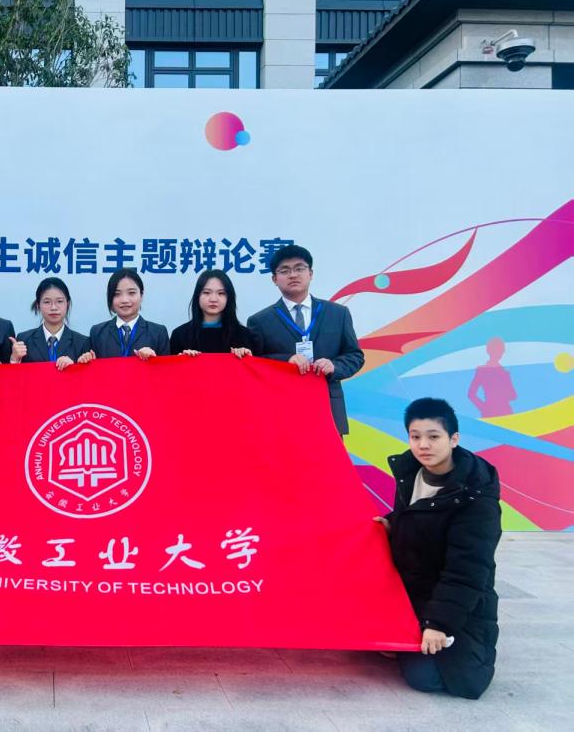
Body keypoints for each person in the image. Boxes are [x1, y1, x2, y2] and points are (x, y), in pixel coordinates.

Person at [376, 398, 501, 699]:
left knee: (428, 678)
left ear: (453, 439)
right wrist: (393, 525)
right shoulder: (411, 472)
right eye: (415, 436)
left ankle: (419, 634)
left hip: (457, 599)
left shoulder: (476, 498)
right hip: (414, 590)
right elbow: (418, 516)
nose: (423, 445)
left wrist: (438, 624)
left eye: (434, 436)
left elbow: (468, 570)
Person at [246, 245, 364, 435]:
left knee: (328, 456)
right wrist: (285, 360)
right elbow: (254, 365)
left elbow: (355, 356)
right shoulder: (260, 321)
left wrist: (334, 366)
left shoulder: (337, 313)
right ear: (274, 279)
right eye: (285, 270)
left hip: (328, 409)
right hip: (281, 411)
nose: (293, 275)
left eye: (299, 268)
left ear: (310, 273)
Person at [79, 268, 169, 362]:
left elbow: (167, 369)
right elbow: (92, 368)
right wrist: (86, 361)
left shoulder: (158, 332)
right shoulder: (97, 332)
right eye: (117, 294)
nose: (124, 300)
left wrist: (154, 360)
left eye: (131, 293)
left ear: (141, 295)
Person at [169, 269, 259, 357]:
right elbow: (170, 366)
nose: (213, 299)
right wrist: (181, 360)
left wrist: (246, 357)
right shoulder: (179, 334)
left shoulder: (243, 335)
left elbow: (253, 366)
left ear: (229, 297)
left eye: (221, 293)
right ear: (197, 296)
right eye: (206, 292)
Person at [10, 277, 91, 370]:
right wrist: (14, 360)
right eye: (47, 302)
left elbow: (87, 376)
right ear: (38, 305)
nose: (53, 307)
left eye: (59, 301)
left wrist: (74, 367)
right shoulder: (24, 340)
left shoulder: (82, 342)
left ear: (67, 304)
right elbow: (16, 376)